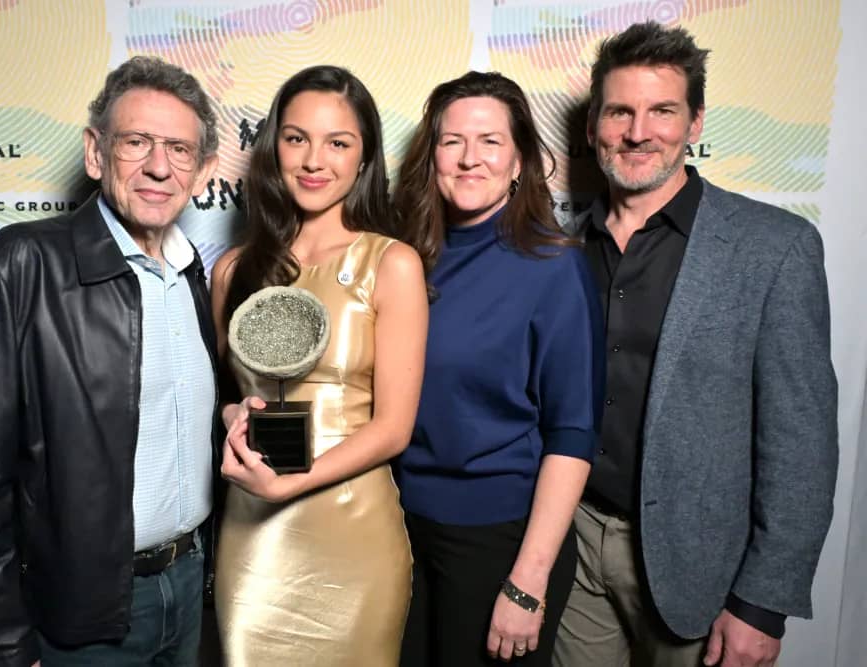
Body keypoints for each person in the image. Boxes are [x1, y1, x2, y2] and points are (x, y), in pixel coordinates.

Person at [553, 21, 839, 667]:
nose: (638, 132)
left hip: (699, 565)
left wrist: (763, 602)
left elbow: (802, 442)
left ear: (695, 122)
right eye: (619, 111)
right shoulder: (562, 247)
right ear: (593, 125)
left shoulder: (773, 247)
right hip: (573, 544)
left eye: (662, 111)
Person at [0, 56, 221, 667]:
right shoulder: (20, 266)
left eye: (179, 149)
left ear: (203, 172)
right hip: (80, 614)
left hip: (189, 587)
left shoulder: (193, 274)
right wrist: (2, 647)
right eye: (136, 142)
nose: (159, 166)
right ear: (95, 152)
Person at [211, 65, 428, 666]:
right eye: (296, 138)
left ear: (364, 159)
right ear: (273, 147)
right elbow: (226, 396)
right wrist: (232, 415)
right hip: (254, 536)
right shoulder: (233, 270)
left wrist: (292, 483)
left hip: (354, 534)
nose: (313, 160)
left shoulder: (392, 263)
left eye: (338, 142)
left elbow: (394, 428)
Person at [391, 71, 604, 666]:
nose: (469, 159)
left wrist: (527, 581)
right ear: (431, 157)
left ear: (520, 162)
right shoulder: (404, 257)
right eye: (452, 141)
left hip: (498, 541)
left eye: (490, 141)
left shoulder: (552, 265)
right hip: (399, 529)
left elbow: (572, 433)